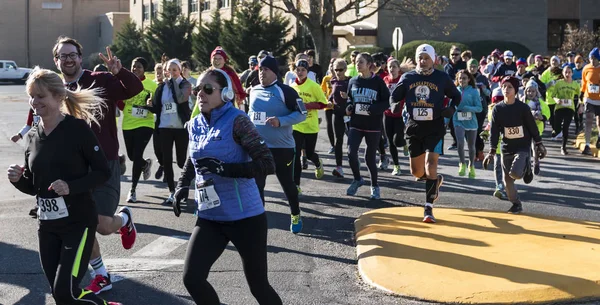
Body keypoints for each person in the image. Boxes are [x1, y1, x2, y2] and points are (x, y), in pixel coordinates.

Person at [8, 67, 121, 305]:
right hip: (47, 227)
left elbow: (103, 172)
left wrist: (71, 186)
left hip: (78, 224)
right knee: (62, 295)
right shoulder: (33, 137)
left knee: (64, 293)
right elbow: (35, 187)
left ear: (58, 97)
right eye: (32, 95)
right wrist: (18, 180)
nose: (34, 101)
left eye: (41, 96)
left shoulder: (77, 130)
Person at [172, 69, 283, 305]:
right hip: (210, 216)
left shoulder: (238, 121)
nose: (200, 93)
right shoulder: (194, 124)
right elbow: (192, 161)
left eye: (208, 89)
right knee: (192, 278)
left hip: (246, 218)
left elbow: (267, 164)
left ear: (226, 93)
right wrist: (182, 185)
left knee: (259, 287)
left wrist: (226, 169)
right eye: (198, 89)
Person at [45, 37, 141, 294]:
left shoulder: (101, 80)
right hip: (73, 169)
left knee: (102, 225)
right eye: (62, 55)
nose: (68, 59)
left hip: (104, 163)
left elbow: (134, 90)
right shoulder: (54, 88)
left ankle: (123, 219)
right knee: (82, 223)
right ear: (56, 60)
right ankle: (102, 274)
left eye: (72, 54)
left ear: (80, 57)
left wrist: (119, 71)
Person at [390, 44, 461, 223]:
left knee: (431, 164)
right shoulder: (408, 77)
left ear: (433, 60)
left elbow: (457, 96)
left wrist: (452, 108)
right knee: (417, 172)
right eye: (420, 58)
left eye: (426, 58)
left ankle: (428, 208)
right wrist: (394, 105)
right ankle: (434, 181)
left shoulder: (442, 78)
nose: (423, 61)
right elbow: (394, 96)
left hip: (435, 127)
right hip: (414, 127)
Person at [247, 55, 307, 233]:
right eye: (260, 69)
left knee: (287, 184)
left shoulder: (285, 91)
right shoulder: (254, 90)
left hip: (282, 148)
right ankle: (258, 220)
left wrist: (280, 121)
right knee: (257, 184)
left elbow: (302, 114)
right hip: (259, 147)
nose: (261, 73)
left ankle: (295, 214)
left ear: (274, 72)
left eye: (265, 69)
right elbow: (250, 116)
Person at [484, 76, 547, 214]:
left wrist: (539, 143)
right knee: (507, 181)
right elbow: (494, 132)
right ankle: (516, 204)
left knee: (516, 173)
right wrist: (492, 151)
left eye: (510, 87)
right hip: (506, 147)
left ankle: (526, 168)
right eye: (504, 86)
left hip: (522, 146)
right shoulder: (497, 109)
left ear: (515, 90)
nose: (506, 89)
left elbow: (532, 127)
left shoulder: (522, 108)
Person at [345, 53, 390, 200]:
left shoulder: (378, 82)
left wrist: (374, 109)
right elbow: (350, 99)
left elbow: (386, 102)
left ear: (369, 64)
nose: (358, 64)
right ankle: (357, 179)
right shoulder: (352, 81)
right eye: (356, 62)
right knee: (351, 153)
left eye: (361, 62)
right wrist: (349, 107)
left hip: (373, 125)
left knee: (369, 158)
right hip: (356, 124)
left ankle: (374, 186)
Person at [148, 59, 192, 205]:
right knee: (167, 160)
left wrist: (173, 82)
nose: (172, 72)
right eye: (169, 70)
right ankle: (172, 192)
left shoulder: (185, 84)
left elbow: (180, 99)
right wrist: (149, 104)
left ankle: (184, 186)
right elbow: (157, 107)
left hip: (180, 128)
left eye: (175, 69)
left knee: (181, 161)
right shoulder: (162, 87)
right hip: (164, 127)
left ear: (180, 70)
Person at [119, 57, 156, 203]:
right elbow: (119, 101)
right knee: (133, 156)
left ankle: (132, 190)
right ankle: (145, 164)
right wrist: (125, 107)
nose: (135, 69)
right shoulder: (125, 83)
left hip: (145, 123)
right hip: (128, 123)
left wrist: (150, 104)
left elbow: (155, 106)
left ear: (144, 69)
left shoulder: (151, 85)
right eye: (134, 66)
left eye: (139, 67)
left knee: (137, 153)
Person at [290, 59, 328, 191]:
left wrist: (308, 105)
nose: (300, 72)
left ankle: (317, 162)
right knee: (296, 155)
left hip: (310, 126)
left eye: (303, 70)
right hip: (297, 125)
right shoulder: (292, 87)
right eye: (298, 70)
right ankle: (296, 185)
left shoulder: (314, 86)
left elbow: (324, 104)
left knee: (310, 153)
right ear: (294, 70)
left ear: (307, 71)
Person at [382, 58, 411, 175]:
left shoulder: (402, 80)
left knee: (397, 140)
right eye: (390, 67)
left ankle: (403, 143)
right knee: (390, 141)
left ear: (399, 69)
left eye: (394, 66)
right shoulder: (385, 79)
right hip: (387, 114)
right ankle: (396, 166)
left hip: (399, 115)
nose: (392, 69)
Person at [453, 70, 482, 178]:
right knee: (460, 143)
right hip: (458, 119)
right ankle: (462, 163)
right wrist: (445, 120)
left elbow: (479, 108)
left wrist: (468, 109)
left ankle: (471, 165)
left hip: (471, 121)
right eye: (460, 78)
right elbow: (450, 106)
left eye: (464, 78)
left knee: (471, 146)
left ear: (469, 79)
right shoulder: (455, 91)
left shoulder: (474, 91)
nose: (462, 80)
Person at [547, 66, 580, 155]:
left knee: (566, 127)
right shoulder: (558, 83)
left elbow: (580, 95)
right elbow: (553, 95)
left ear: (572, 73)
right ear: (563, 73)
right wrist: (556, 100)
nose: (567, 74)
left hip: (570, 108)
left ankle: (563, 147)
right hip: (559, 108)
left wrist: (580, 105)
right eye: (566, 72)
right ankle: (557, 131)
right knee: (557, 126)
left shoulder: (575, 84)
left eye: (569, 72)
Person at [523, 79, 549, 175]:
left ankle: (536, 162)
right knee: (526, 147)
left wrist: (542, 117)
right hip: (525, 128)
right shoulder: (522, 101)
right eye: (529, 91)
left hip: (537, 127)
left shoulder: (540, 102)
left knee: (535, 147)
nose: (531, 93)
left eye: (533, 91)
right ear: (525, 91)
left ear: (536, 91)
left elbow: (547, 113)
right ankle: (527, 164)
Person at [329, 58, 350, 178]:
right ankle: (339, 167)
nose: (338, 72)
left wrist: (348, 96)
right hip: (337, 114)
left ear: (345, 69)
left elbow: (355, 96)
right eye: (336, 69)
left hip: (348, 115)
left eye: (340, 70)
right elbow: (332, 95)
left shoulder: (350, 81)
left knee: (352, 141)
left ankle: (354, 160)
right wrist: (329, 100)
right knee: (338, 140)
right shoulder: (333, 81)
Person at [467, 58, 491, 161]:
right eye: (470, 67)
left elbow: (489, 93)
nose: (472, 69)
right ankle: (474, 150)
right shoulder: (464, 77)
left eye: (474, 67)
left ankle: (479, 151)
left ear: (478, 67)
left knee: (477, 129)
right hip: (467, 107)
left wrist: (484, 88)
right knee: (468, 130)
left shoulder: (483, 78)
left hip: (480, 108)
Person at [580, 47, 600, 155]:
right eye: (590, 58)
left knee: (599, 122)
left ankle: (599, 138)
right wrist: (581, 95)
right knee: (588, 120)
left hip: (599, 99)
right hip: (589, 98)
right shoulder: (586, 68)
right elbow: (584, 83)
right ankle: (587, 144)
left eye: (594, 58)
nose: (592, 60)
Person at [321, 58, 338, 154]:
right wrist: (324, 100)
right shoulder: (326, 78)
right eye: (330, 65)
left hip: (338, 106)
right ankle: (332, 145)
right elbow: (322, 91)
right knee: (329, 125)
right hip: (328, 105)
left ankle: (340, 144)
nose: (332, 68)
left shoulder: (342, 78)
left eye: (334, 66)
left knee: (338, 125)